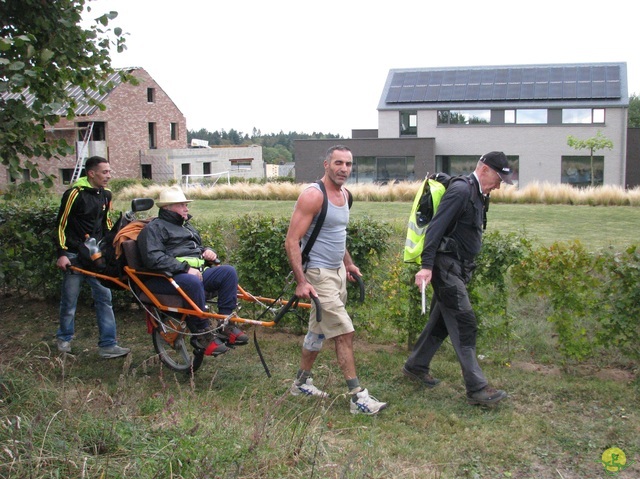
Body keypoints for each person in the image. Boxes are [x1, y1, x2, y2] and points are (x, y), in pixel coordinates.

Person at [403, 151, 513, 406]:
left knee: (441, 322)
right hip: (445, 268)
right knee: (464, 322)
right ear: (484, 169)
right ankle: (477, 388)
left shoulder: (479, 194)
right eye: (498, 178)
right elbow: (435, 229)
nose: (499, 185)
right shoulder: (462, 191)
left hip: (458, 268)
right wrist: (426, 267)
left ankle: (415, 366)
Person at [284, 145, 387, 415]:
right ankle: (358, 397)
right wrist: (301, 281)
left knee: (317, 331)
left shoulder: (345, 195)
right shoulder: (312, 196)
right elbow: (292, 240)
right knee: (344, 332)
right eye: (338, 163)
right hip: (317, 274)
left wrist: (348, 263)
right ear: (326, 165)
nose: (344, 169)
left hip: (338, 273)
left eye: (349, 164)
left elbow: (335, 235)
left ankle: (301, 382)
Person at [136, 185, 247, 356]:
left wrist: (206, 251)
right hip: (166, 279)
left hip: (193, 274)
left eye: (186, 204)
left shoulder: (186, 226)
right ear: (167, 208)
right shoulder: (153, 229)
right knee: (193, 281)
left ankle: (227, 324)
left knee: (228, 272)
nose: (186, 208)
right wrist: (186, 269)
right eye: (181, 205)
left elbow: (196, 247)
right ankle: (202, 334)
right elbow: (153, 258)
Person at [55, 156, 130, 358]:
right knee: (70, 300)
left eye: (109, 172)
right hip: (73, 255)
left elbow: (105, 225)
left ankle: (108, 345)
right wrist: (62, 254)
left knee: (104, 297)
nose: (109, 176)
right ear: (91, 173)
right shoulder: (74, 194)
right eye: (105, 172)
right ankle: (64, 340)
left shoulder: (106, 194)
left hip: (95, 256)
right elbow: (61, 224)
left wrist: (108, 248)